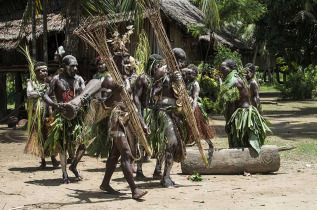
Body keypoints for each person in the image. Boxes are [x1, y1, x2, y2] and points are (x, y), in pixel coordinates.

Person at [98, 52, 148, 199]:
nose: (128, 66)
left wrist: (142, 123)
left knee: (115, 154)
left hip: (129, 120)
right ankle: (134, 190)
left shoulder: (128, 80)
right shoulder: (108, 80)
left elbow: (133, 105)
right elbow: (103, 105)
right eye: (124, 63)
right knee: (126, 152)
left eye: (129, 63)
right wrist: (115, 93)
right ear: (116, 63)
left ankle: (105, 183)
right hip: (115, 120)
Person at [43, 55, 86, 183]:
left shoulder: (79, 79)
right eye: (72, 66)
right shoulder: (57, 79)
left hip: (77, 116)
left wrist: (83, 102)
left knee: (83, 144)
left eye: (76, 66)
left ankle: (74, 166)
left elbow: (84, 95)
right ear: (64, 66)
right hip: (61, 116)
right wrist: (55, 105)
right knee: (62, 145)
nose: (75, 68)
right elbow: (45, 95)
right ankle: (64, 173)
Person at [151, 48, 189, 187]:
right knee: (172, 142)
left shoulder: (180, 74)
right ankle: (164, 176)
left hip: (176, 111)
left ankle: (166, 176)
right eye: (178, 60)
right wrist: (167, 79)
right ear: (171, 58)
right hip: (163, 111)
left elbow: (182, 93)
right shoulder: (161, 71)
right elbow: (154, 94)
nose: (180, 64)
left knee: (174, 145)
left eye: (182, 61)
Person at [220, 59, 271, 153]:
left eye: (223, 68)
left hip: (242, 115)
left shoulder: (233, 82)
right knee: (245, 143)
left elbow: (231, 104)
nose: (221, 71)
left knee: (241, 144)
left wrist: (229, 122)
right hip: (245, 113)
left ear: (231, 68)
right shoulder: (238, 78)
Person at [133, 54, 165, 180]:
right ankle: (139, 170)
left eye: (160, 65)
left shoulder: (162, 79)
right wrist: (141, 119)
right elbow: (136, 98)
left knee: (162, 142)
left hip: (159, 113)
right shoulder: (143, 78)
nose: (158, 67)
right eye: (156, 64)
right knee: (142, 142)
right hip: (146, 112)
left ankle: (158, 169)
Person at [24, 61, 59, 169]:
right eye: (42, 71)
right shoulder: (31, 83)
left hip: (47, 114)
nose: (45, 72)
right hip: (36, 116)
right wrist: (40, 93)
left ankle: (53, 159)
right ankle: (43, 160)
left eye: (46, 71)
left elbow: (51, 100)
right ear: (36, 72)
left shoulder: (48, 84)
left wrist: (51, 113)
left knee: (50, 135)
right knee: (39, 137)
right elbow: (29, 94)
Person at [182, 64, 215, 147]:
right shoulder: (187, 83)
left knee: (201, 126)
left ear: (195, 74)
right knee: (188, 126)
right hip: (186, 107)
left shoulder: (195, 84)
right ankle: (190, 141)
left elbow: (195, 98)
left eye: (190, 74)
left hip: (194, 107)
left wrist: (192, 111)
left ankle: (209, 143)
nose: (188, 75)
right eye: (187, 74)